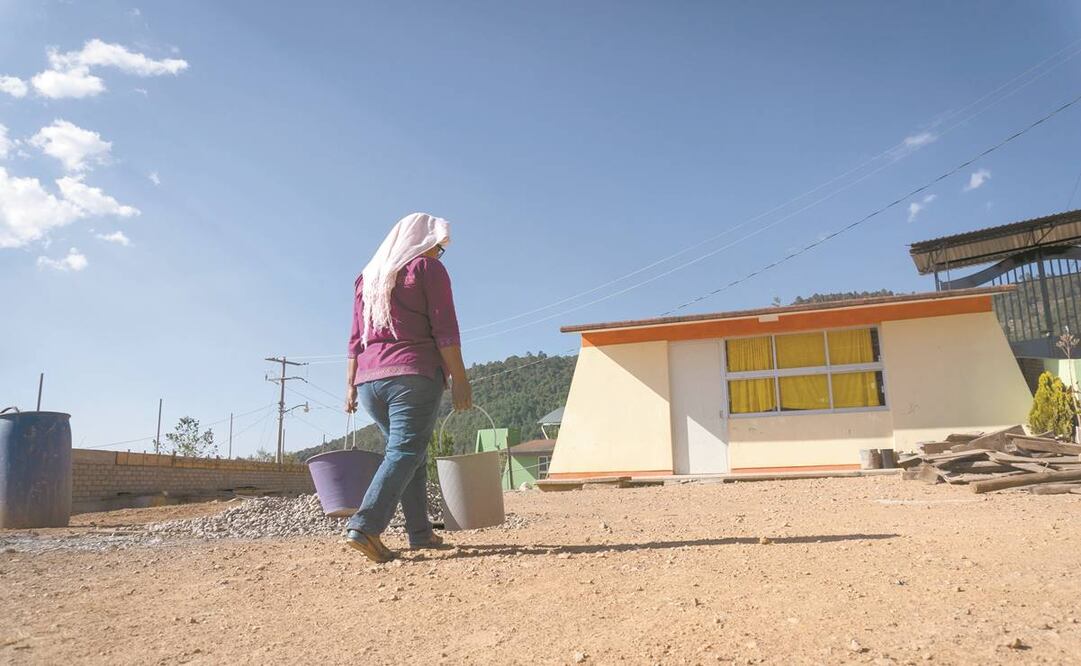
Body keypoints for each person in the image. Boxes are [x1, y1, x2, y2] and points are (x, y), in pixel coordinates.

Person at [342, 212, 473, 563]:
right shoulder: (426, 270)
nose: (437, 254)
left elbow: (356, 339)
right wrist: (460, 378)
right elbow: (445, 328)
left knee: (408, 453)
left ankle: (420, 533)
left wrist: (350, 385)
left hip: (369, 381)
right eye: (437, 247)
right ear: (422, 241)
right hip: (412, 375)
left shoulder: (366, 278)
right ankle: (366, 525)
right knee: (405, 452)